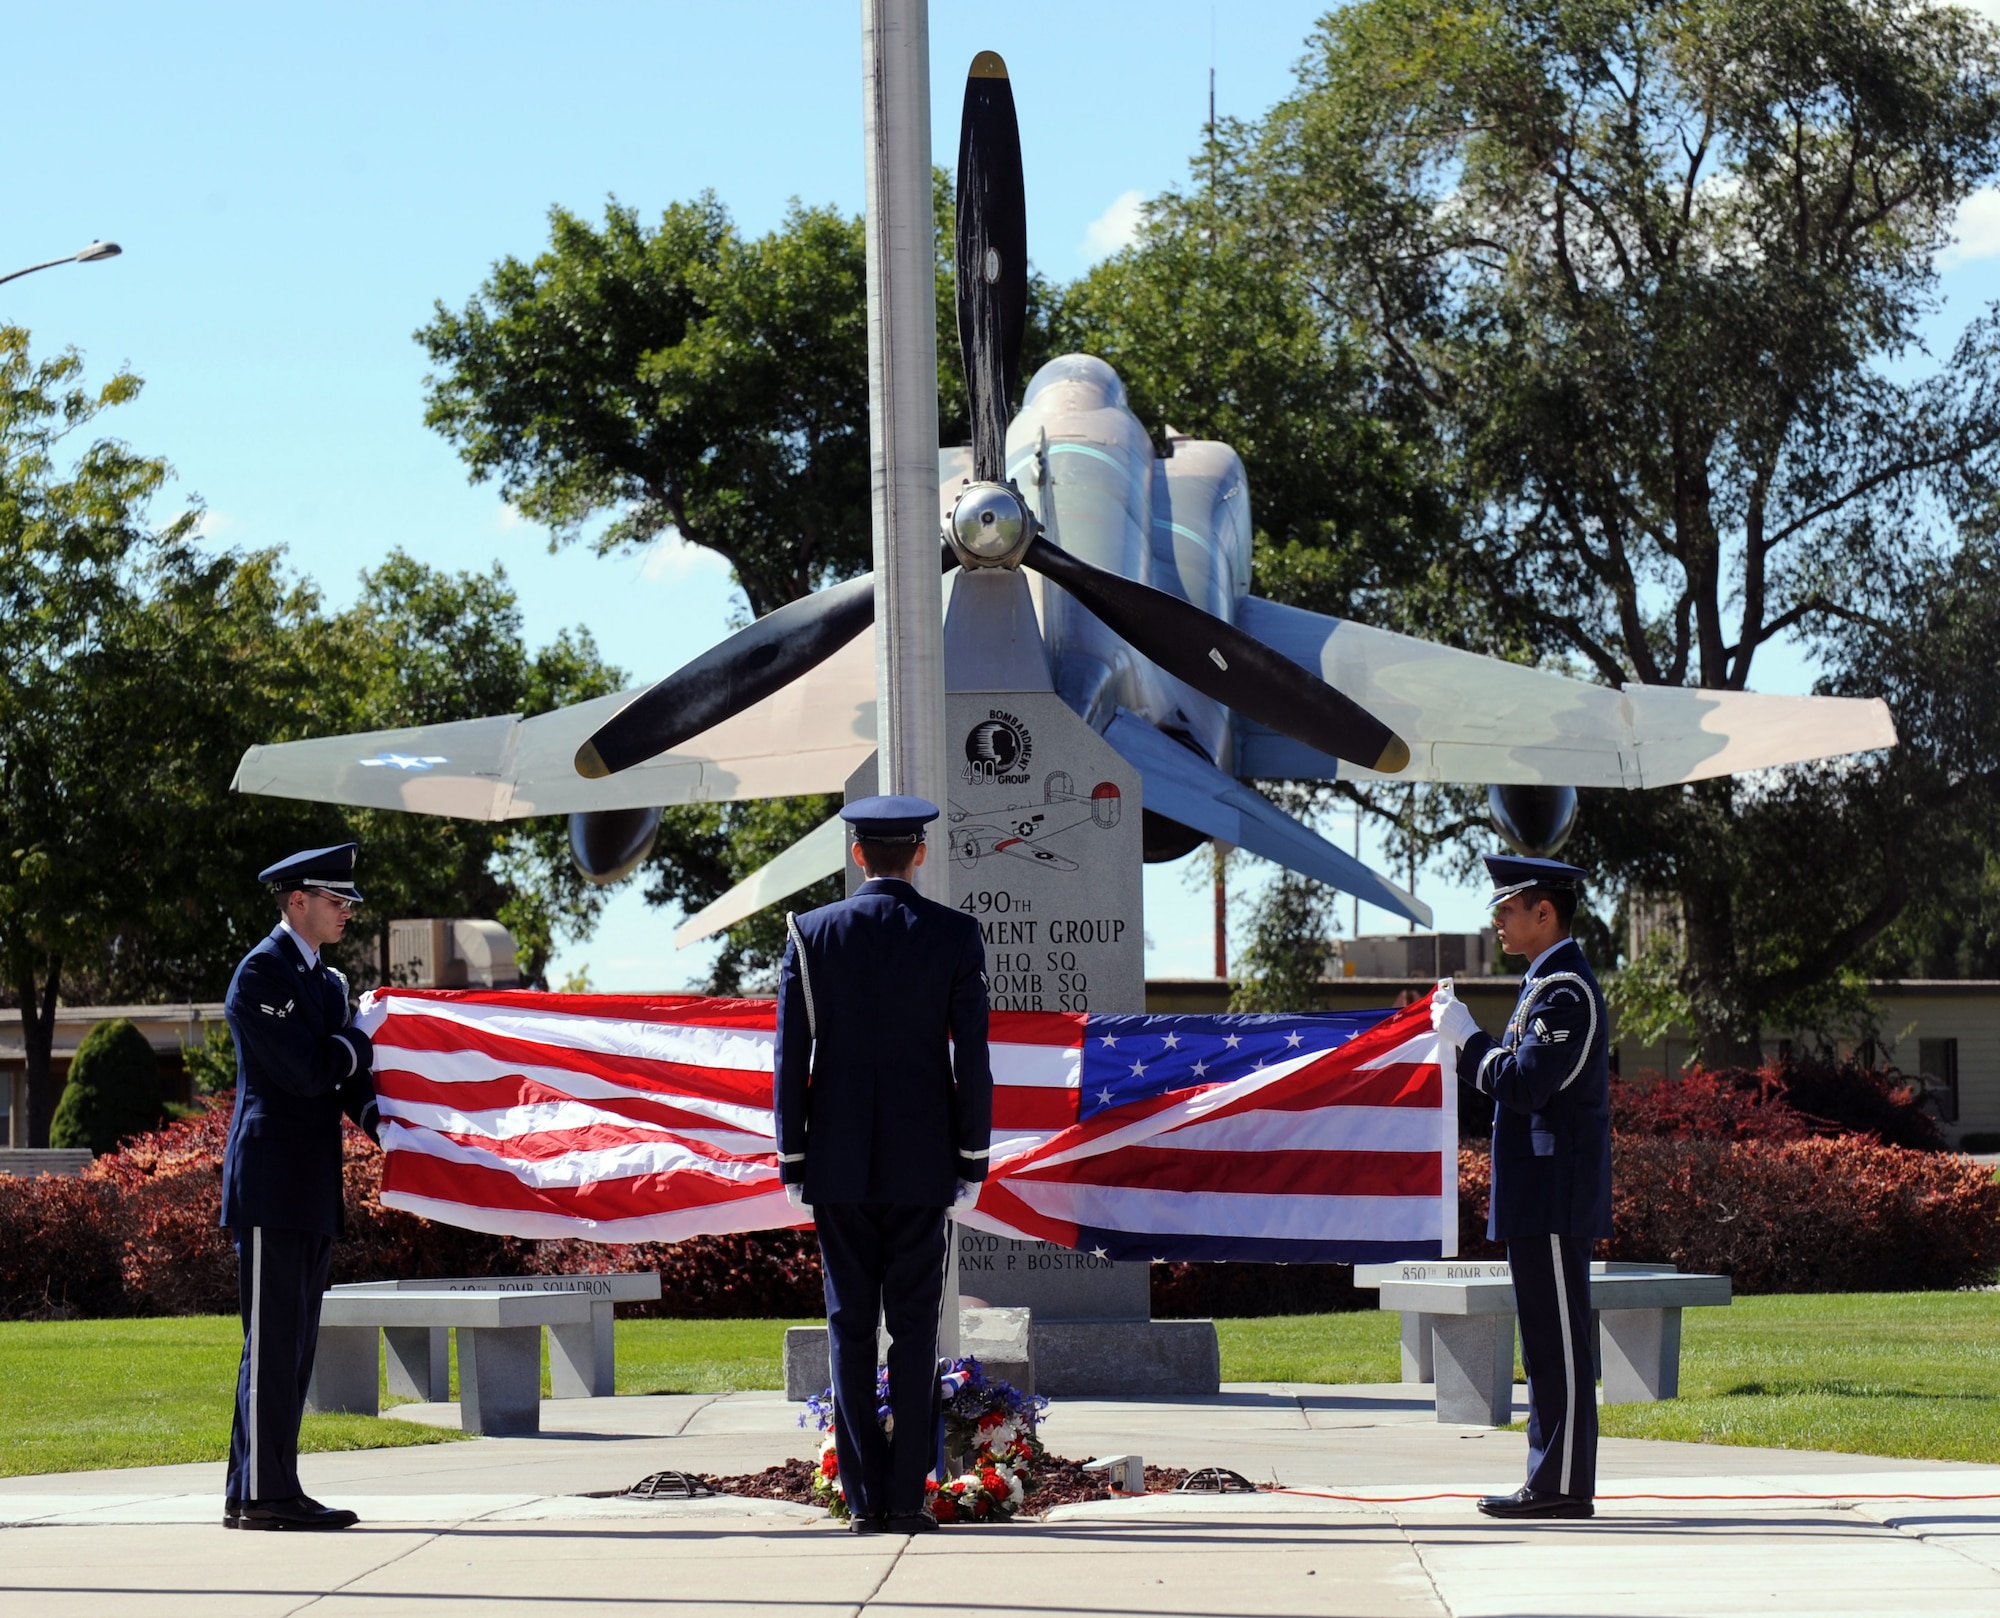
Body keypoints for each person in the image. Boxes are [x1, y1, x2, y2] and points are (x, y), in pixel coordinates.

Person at [774, 795, 992, 1535]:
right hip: (922, 1164)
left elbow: (789, 1059)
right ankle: (907, 1495)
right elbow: (973, 1060)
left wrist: (795, 1155)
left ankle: (865, 1500)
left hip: (835, 1163)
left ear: (858, 854)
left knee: (850, 1329)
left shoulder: (811, 934)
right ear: (919, 853)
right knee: (914, 1332)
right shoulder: (954, 936)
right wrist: (971, 1157)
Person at [1431, 853, 1611, 1521]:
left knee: (1558, 1345)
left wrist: (1468, 1040)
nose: (1499, 920)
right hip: (1539, 1195)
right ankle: (1550, 1478)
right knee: (1544, 1342)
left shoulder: (1564, 992)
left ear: (1545, 913)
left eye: (1508, 908)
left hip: (1556, 1195)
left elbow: (1527, 1083)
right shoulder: (1545, 988)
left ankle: (1561, 1484)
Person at [220, 842, 381, 1531]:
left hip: (310, 1184)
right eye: (336, 900)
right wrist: (359, 1041)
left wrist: (390, 1126)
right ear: (298, 902)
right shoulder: (263, 973)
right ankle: (262, 1495)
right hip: (271, 1183)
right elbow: (308, 1073)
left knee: (295, 1348)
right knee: (274, 1343)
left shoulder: (324, 982)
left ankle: (265, 1487)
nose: (346, 911)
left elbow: (344, 1083)